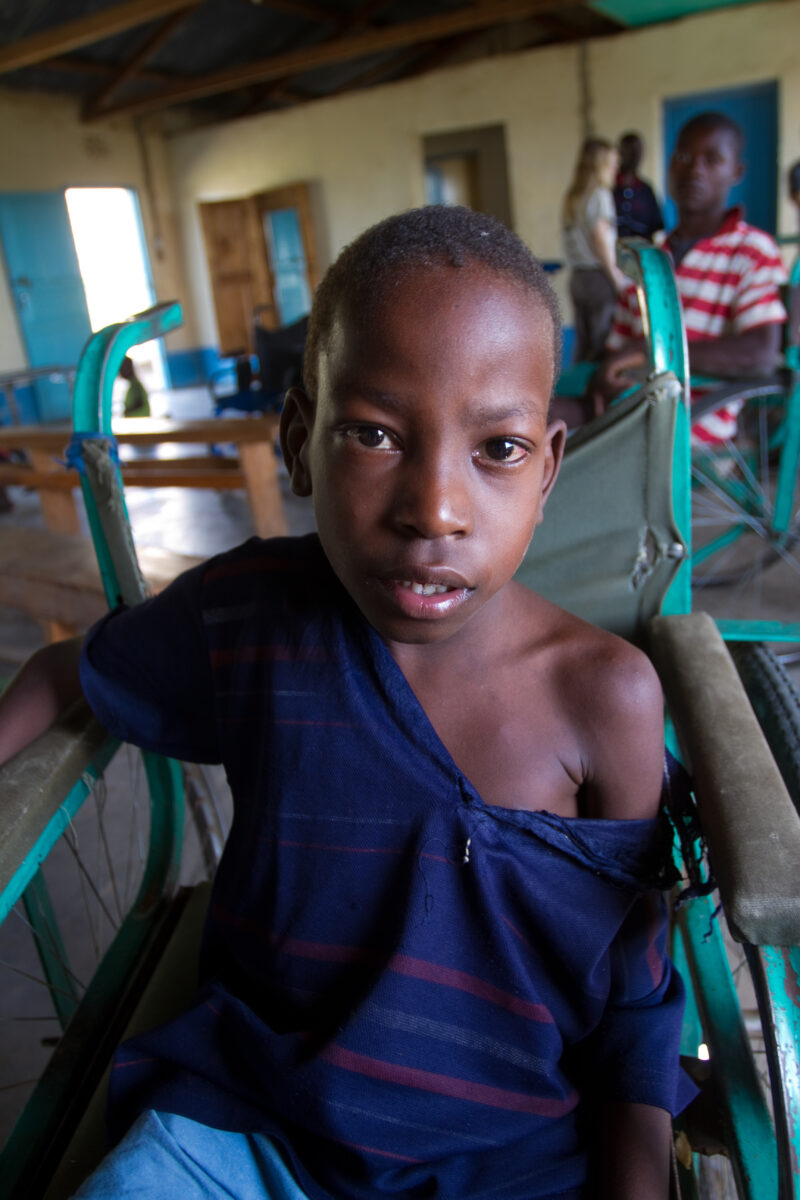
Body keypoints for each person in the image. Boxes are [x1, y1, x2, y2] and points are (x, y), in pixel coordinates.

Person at [0, 206, 694, 1200]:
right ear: (297, 441)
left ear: (547, 469)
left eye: (494, 451)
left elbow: (634, 978)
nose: (433, 510)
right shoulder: (250, 616)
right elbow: (68, 674)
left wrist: (633, 1173)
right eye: (372, 435)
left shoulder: (601, 696)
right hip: (251, 1124)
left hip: (503, 1158)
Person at [596, 112, 787, 444]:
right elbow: (616, 348)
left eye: (712, 159)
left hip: (694, 431)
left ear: (736, 172)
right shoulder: (650, 256)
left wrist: (651, 352)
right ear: (670, 167)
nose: (695, 169)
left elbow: (760, 353)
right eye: (684, 157)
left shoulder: (752, 251)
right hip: (629, 415)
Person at [562, 137, 627, 364]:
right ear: (600, 165)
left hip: (578, 277)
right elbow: (599, 239)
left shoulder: (573, 197)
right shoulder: (600, 195)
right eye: (612, 162)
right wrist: (616, 278)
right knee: (601, 342)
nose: (616, 168)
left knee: (583, 341)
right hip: (598, 276)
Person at [613, 132, 665, 242]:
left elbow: (657, 227)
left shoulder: (646, 190)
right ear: (619, 152)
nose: (634, 156)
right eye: (629, 150)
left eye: (638, 151)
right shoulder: (609, 188)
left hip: (640, 253)